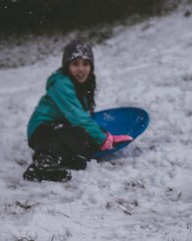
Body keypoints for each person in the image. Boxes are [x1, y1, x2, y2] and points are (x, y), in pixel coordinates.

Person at [23, 39, 132, 182]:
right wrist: (103, 138)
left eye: (85, 64)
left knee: (82, 142)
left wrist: (101, 135)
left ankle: (66, 160)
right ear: (67, 66)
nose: (81, 69)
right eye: (75, 64)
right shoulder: (61, 84)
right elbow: (78, 117)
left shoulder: (84, 84)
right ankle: (42, 165)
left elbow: (83, 116)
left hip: (60, 128)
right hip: (42, 131)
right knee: (79, 135)